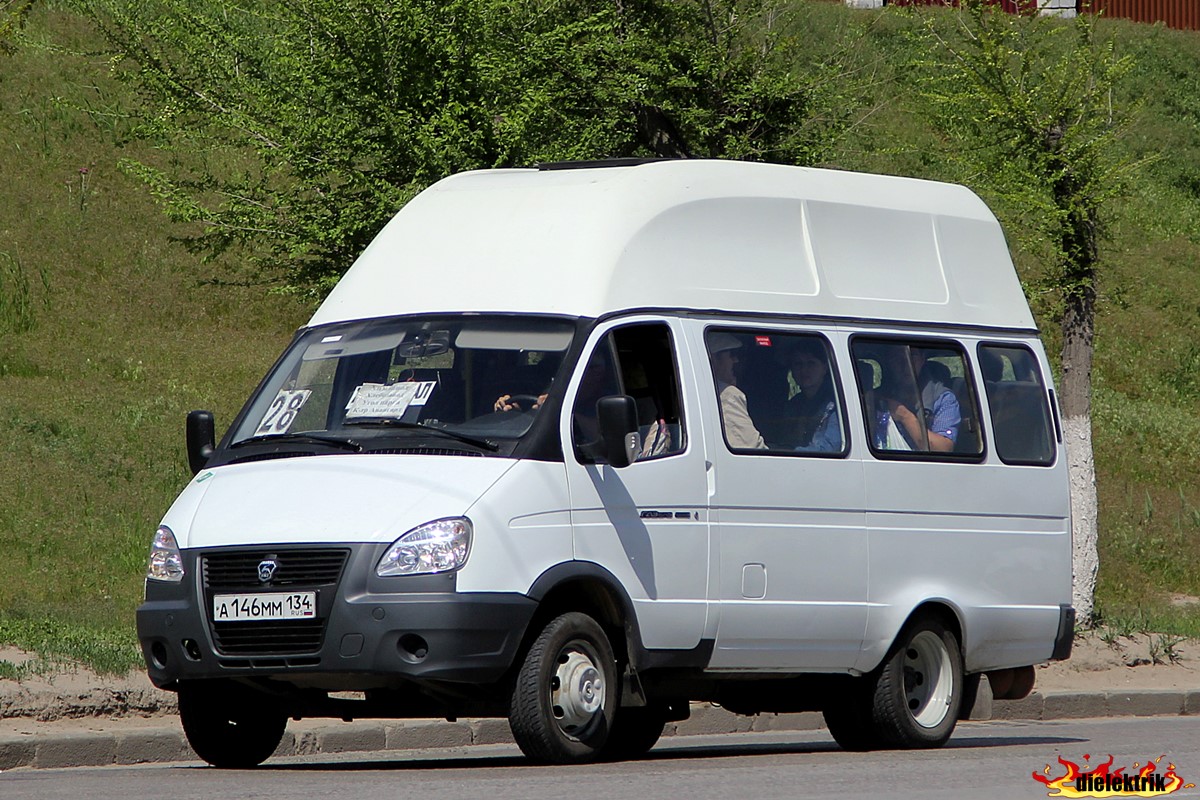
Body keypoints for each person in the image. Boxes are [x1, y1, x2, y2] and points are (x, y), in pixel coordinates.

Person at [874, 346, 959, 453]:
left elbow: (943, 449)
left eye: (912, 356)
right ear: (889, 363)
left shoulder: (943, 398)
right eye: (896, 358)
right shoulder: (875, 398)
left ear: (922, 360)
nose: (905, 364)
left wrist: (905, 416)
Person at [709, 333, 766, 450]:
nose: (736, 360)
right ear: (714, 359)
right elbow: (751, 448)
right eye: (731, 355)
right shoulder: (727, 395)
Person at [786, 339, 842, 453]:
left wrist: (789, 452)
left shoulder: (836, 405)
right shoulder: (793, 404)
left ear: (825, 368)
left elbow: (829, 448)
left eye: (811, 363)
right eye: (798, 364)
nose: (804, 370)